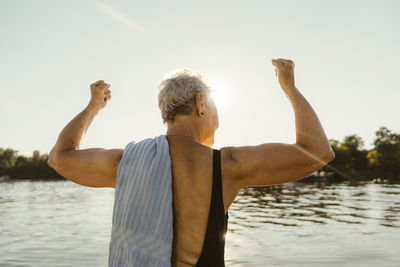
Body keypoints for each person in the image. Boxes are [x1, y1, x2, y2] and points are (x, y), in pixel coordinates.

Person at [48, 58, 335, 266]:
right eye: (215, 110)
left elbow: (60, 157)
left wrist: (94, 106)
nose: (218, 122)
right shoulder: (229, 165)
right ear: (200, 103)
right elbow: (317, 151)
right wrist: (290, 88)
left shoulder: (125, 163)